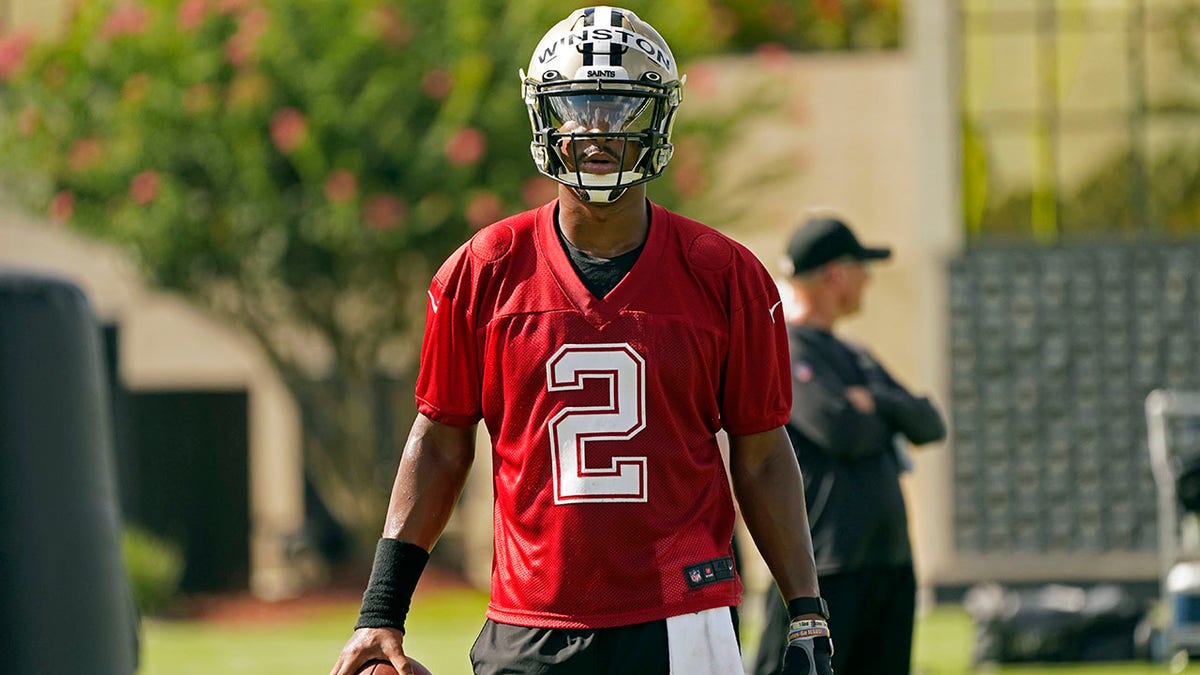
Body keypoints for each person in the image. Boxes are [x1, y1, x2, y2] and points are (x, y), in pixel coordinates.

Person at [330, 7, 833, 675]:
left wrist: (806, 608)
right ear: (545, 118)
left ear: (657, 118)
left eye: (621, 107)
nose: (597, 130)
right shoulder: (482, 270)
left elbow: (764, 456)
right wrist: (381, 607)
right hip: (530, 619)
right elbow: (440, 442)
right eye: (577, 105)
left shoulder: (726, 275)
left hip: (680, 614)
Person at [749, 215, 947, 675]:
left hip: (888, 562)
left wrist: (873, 401)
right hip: (824, 569)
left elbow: (928, 422)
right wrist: (887, 415)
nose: (869, 280)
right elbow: (841, 430)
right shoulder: (785, 349)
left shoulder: (855, 354)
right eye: (861, 268)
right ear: (835, 274)